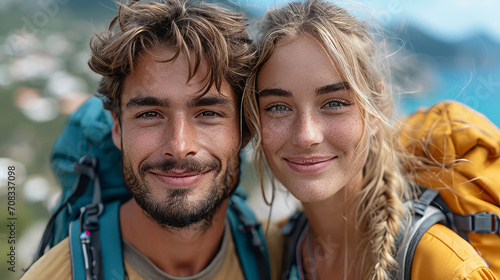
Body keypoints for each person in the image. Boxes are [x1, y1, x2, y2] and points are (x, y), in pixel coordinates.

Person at [22, 0, 282, 279]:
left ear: (244, 130)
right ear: (118, 128)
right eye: (150, 114)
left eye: (207, 113)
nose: (179, 146)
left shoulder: (275, 253)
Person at [243, 0, 497, 279]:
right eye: (278, 107)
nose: (306, 136)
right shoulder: (279, 249)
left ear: (375, 111)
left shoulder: (445, 267)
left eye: (335, 103)